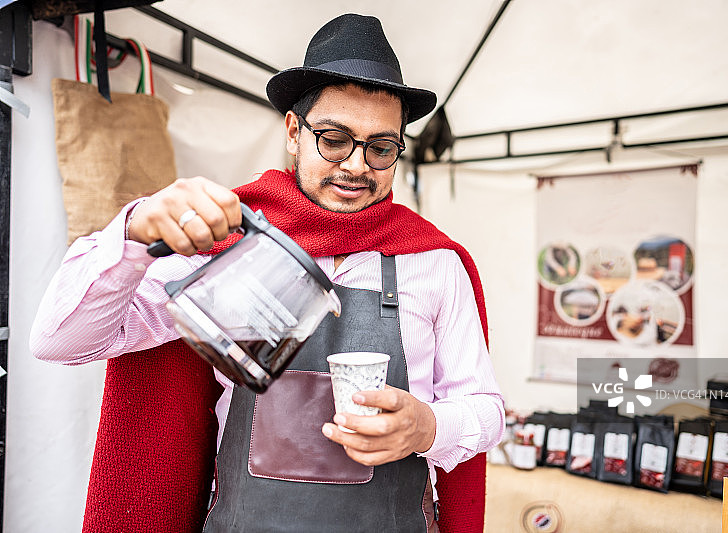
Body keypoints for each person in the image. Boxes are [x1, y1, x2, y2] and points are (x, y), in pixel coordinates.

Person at [30, 13, 504, 533]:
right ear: (293, 132)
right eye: (334, 138)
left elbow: (484, 408)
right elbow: (60, 341)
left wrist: (429, 426)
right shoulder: (229, 243)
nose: (356, 165)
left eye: (381, 147)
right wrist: (135, 233)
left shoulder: (434, 263)